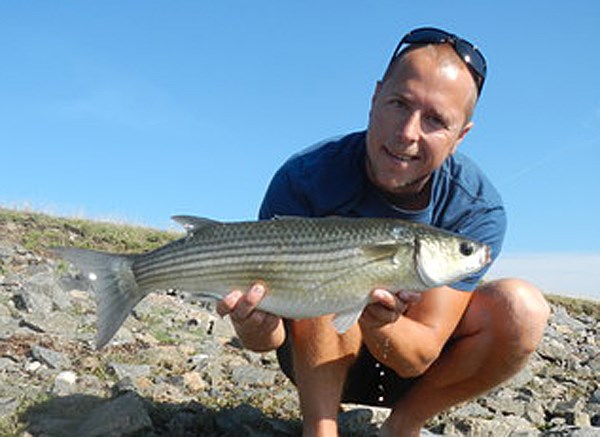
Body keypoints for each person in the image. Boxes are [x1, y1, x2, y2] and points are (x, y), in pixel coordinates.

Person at [216, 27, 550, 437]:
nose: (407, 132)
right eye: (399, 103)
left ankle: (404, 425)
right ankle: (320, 429)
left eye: (435, 120)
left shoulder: (476, 206)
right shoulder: (305, 178)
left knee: (523, 308)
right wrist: (254, 325)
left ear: (460, 136)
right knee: (330, 274)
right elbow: (266, 339)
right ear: (375, 98)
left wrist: (381, 323)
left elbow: (416, 359)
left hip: (415, 371)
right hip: (313, 359)